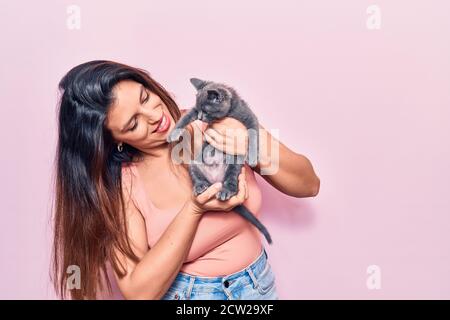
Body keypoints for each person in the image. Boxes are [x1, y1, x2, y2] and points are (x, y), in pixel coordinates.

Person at [51, 60, 320, 300]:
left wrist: (256, 144)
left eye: (145, 97)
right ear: (115, 141)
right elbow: (138, 291)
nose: (155, 116)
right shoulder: (124, 184)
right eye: (133, 124)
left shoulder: (215, 119)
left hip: (260, 288)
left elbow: (309, 184)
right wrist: (195, 208)